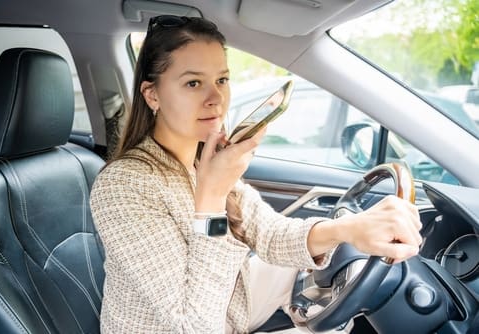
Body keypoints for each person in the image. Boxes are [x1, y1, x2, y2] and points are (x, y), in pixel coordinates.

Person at [89, 15, 422, 334]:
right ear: (152, 95)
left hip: (233, 306)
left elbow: (271, 234)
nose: (216, 98)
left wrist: (350, 229)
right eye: (193, 83)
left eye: (221, 79)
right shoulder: (122, 186)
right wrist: (212, 198)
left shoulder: (203, 158)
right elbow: (194, 325)